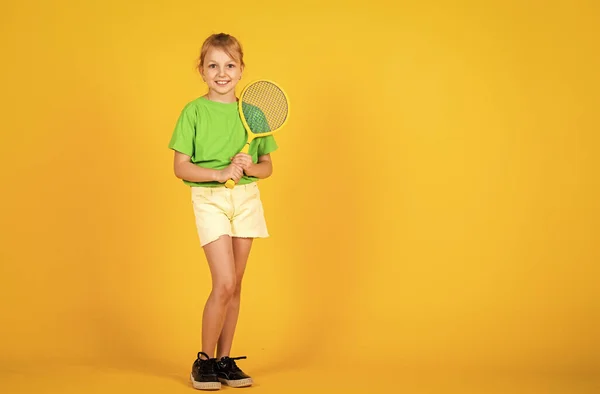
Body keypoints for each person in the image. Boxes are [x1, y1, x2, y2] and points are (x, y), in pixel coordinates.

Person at [168, 32, 278, 390]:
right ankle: (204, 361)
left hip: (246, 199)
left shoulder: (253, 114)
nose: (222, 73)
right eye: (213, 65)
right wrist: (218, 173)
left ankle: (225, 361)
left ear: (242, 69)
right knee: (224, 282)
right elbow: (181, 167)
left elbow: (267, 167)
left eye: (230, 65)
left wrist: (247, 168)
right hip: (209, 200)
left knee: (237, 286)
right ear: (201, 70)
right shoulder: (193, 111)